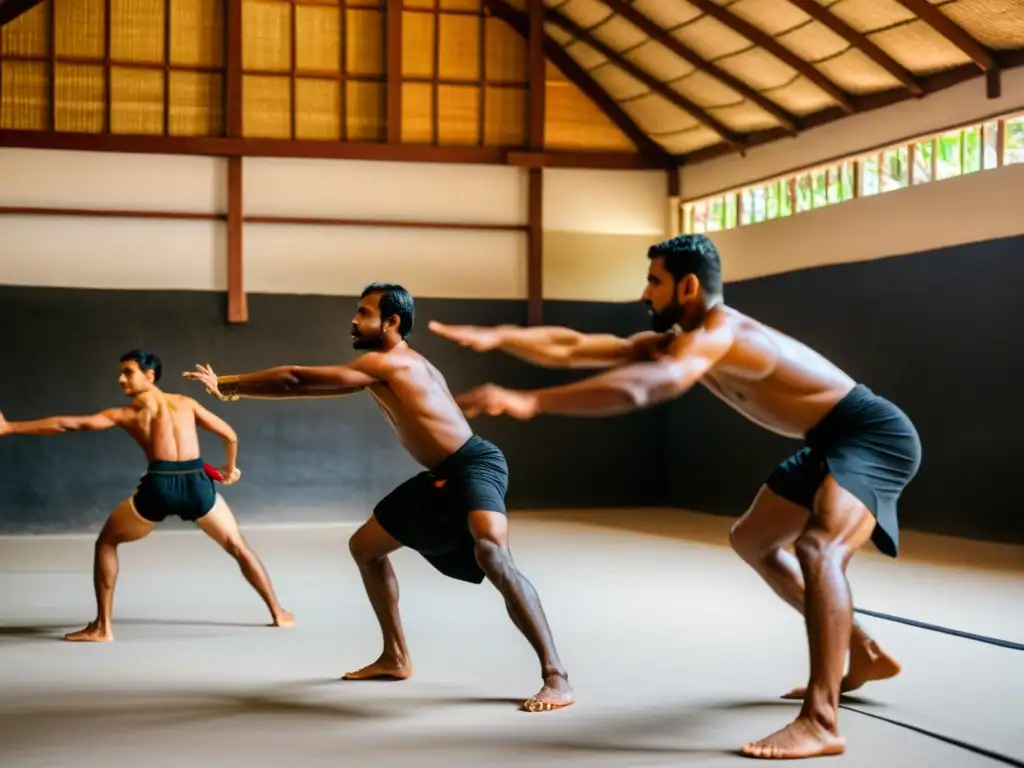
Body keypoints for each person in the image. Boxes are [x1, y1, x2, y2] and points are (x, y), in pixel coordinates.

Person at [429, 235, 921, 759]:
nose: (645, 292)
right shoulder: (682, 338)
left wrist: (530, 401)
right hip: (827, 442)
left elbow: (649, 386)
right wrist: (501, 335)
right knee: (754, 540)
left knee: (819, 550)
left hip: (873, 438)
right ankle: (863, 652)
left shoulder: (721, 334)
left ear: (687, 285)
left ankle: (822, 720)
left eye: (654, 281)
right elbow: (575, 346)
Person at [182, 282, 574, 713]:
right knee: (365, 548)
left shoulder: (391, 363)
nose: (354, 319)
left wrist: (228, 384)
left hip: (476, 465)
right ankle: (395, 657)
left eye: (365, 313)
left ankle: (557, 677)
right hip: (442, 475)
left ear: (392, 323)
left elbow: (297, 379)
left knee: (492, 554)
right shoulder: (390, 365)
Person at [0, 349, 295, 642]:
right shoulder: (185, 403)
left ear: (149, 375)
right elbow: (230, 435)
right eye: (121, 373)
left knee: (107, 541)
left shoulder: (128, 414)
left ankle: (103, 627)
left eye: (128, 372)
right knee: (237, 545)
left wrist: (11, 427)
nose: (121, 379)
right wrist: (229, 469)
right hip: (197, 484)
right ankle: (278, 613)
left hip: (159, 486)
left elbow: (68, 425)